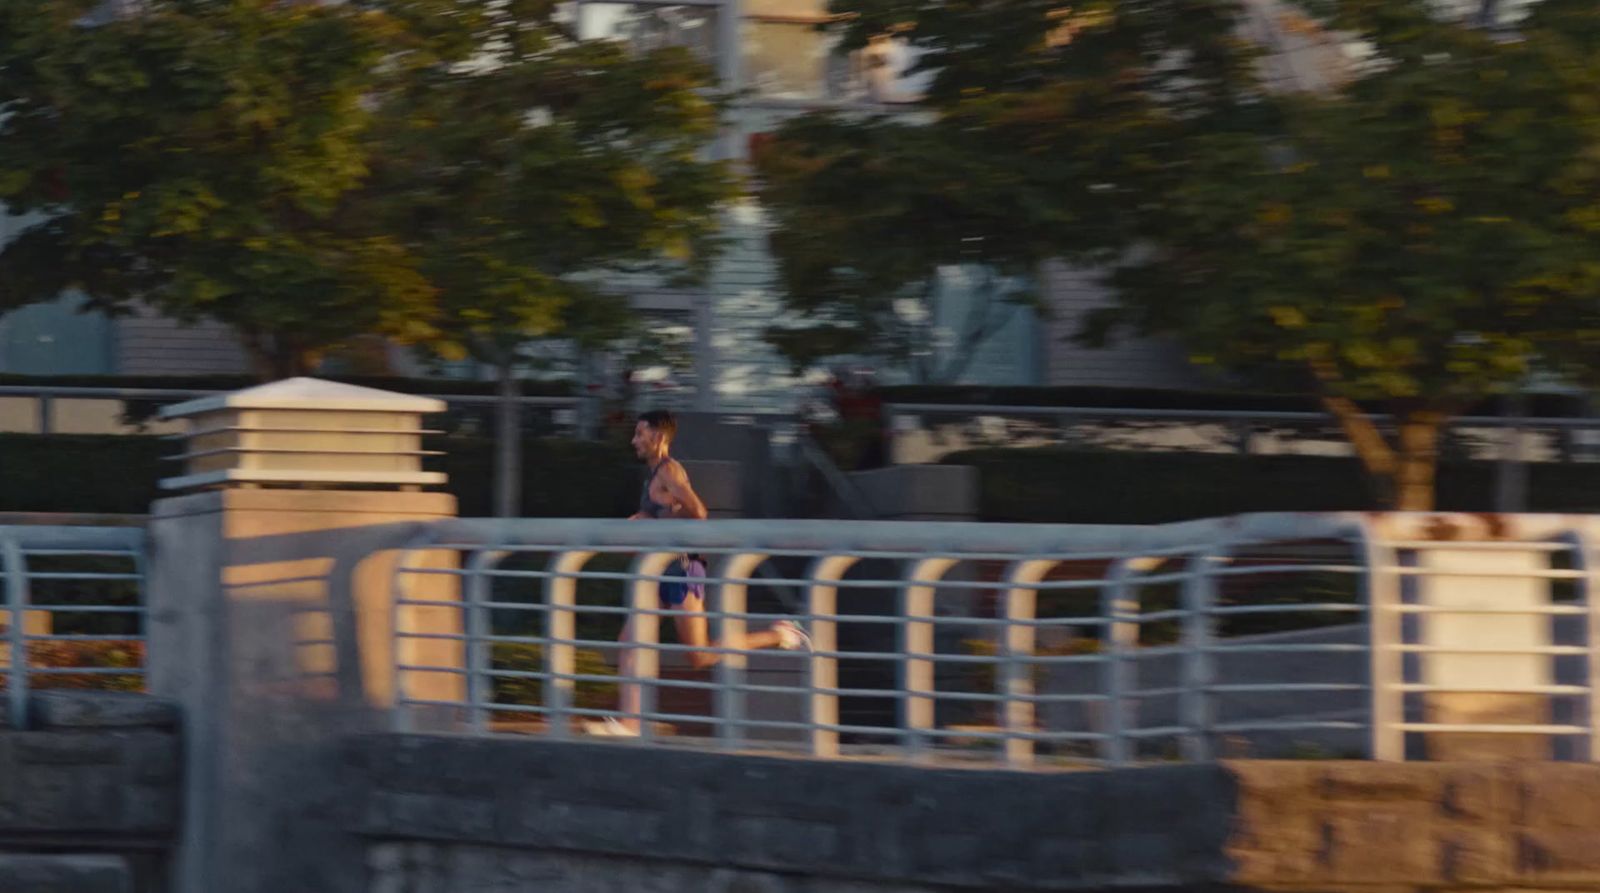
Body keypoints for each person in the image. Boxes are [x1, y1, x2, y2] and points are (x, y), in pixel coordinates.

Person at [587, 410, 810, 737]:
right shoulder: (653, 476)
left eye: (639, 434)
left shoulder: (670, 471)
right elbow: (660, 514)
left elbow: (699, 512)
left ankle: (780, 634)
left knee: (699, 655)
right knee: (630, 640)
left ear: (658, 438)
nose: (634, 441)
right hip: (661, 569)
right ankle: (630, 723)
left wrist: (655, 526)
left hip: (683, 569)